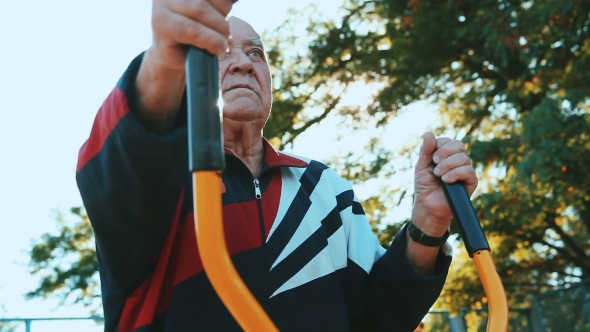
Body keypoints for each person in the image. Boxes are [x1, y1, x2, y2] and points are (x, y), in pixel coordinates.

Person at [76, 1, 478, 331]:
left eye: (256, 53)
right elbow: (119, 159)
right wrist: (165, 58)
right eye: (219, 51)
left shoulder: (324, 188)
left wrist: (428, 223)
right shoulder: (159, 177)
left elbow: (381, 318)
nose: (243, 64)